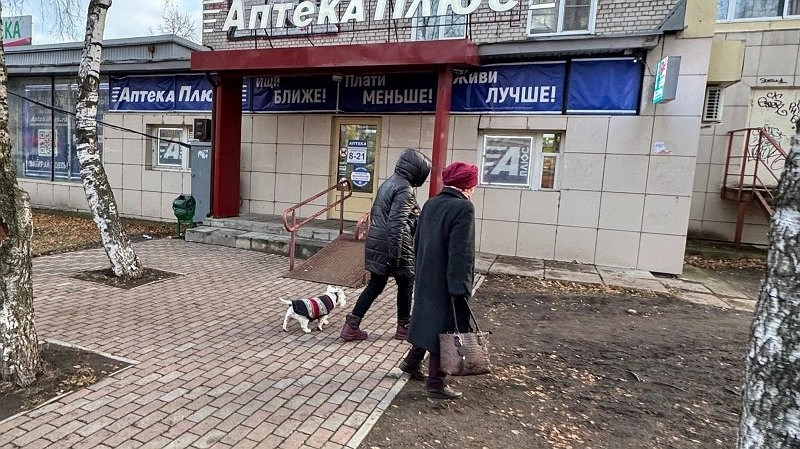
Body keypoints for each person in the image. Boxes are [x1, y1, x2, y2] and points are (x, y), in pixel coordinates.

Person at [398, 161, 478, 400]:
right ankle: (436, 384)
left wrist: (421, 269)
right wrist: (461, 288)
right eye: (473, 185)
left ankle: (411, 363)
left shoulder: (431, 203)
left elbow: (418, 240)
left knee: (427, 321)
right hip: (447, 281)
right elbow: (461, 253)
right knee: (444, 330)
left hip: (426, 275)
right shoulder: (463, 208)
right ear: (466, 186)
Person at [340, 148, 432, 342]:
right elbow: (396, 224)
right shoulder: (405, 189)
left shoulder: (388, 183)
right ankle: (403, 327)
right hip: (396, 245)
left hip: (379, 241)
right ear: (417, 170)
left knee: (375, 284)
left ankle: (351, 326)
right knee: (406, 282)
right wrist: (396, 255)